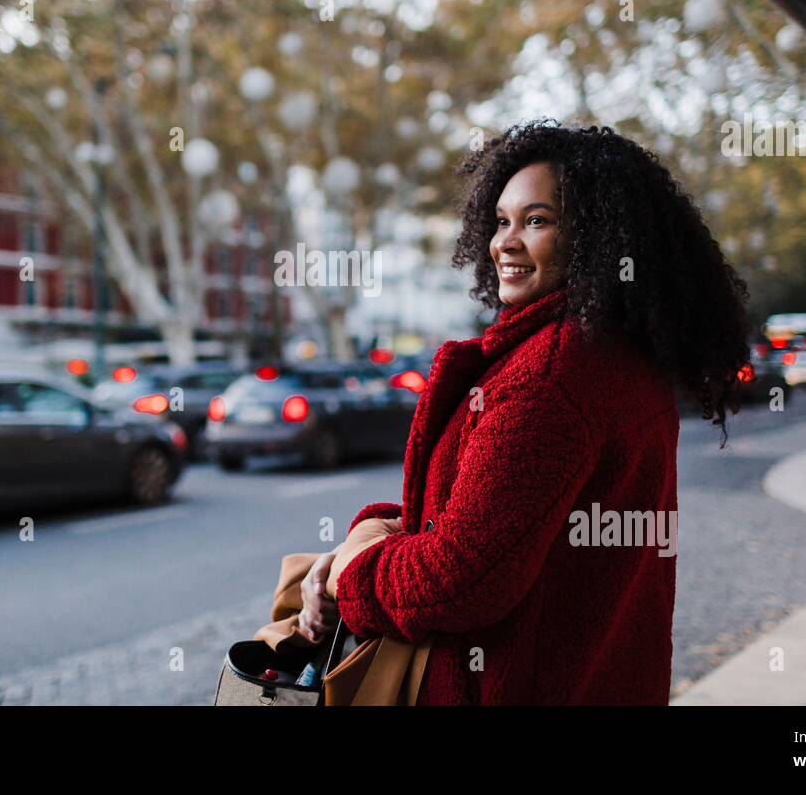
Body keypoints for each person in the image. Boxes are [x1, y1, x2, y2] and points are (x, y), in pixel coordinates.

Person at [295, 119, 751, 704]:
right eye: (502, 220)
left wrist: (349, 574)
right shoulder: (613, 353)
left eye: (537, 221)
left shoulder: (553, 372)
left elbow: (459, 579)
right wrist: (371, 533)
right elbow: (504, 515)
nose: (504, 242)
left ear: (596, 236)